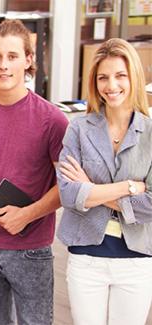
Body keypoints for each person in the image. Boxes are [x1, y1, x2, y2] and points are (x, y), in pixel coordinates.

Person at [0, 19, 69, 325]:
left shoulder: (52, 120)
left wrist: (29, 213)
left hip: (31, 249)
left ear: (28, 60)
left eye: (12, 56)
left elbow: (70, 185)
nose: (4, 65)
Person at [57, 38, 152, 325]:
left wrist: (92, 190)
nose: (112, 85)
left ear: (133, 77)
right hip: (86, 257)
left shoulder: (150, 133)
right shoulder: (78, 130)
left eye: (120, 75)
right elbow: (69, 194)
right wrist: (130, 187)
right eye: (103, 78)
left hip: (136, 258)